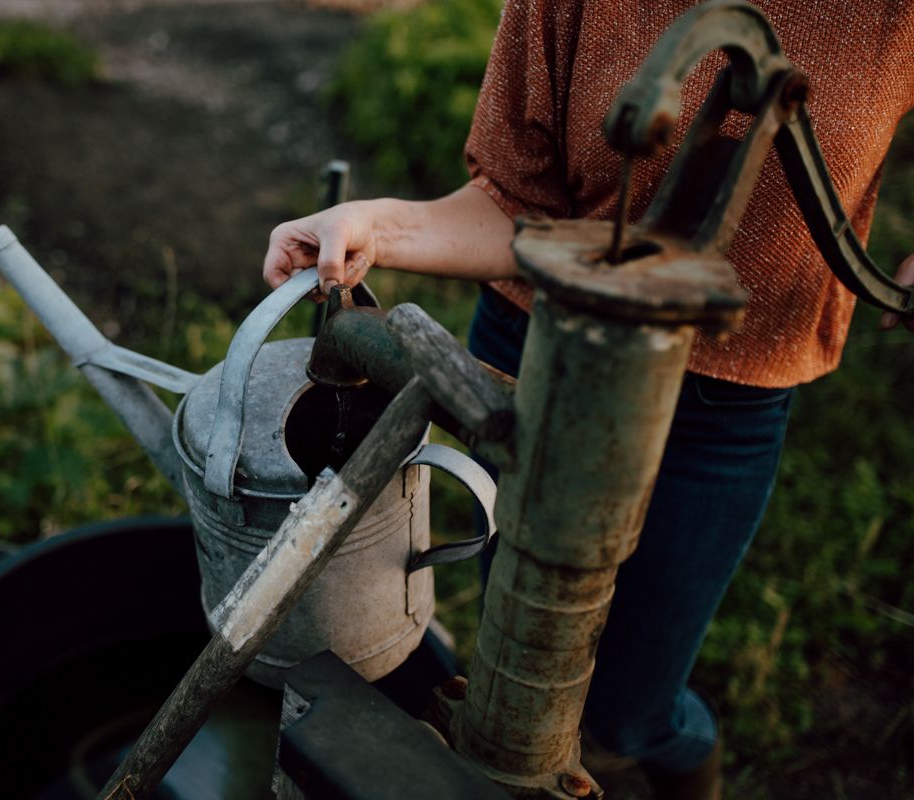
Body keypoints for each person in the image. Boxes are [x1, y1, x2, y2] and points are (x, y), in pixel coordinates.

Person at [262, 2, 914, 798]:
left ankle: (682, 769)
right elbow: (515, 203)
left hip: (723, 398)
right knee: (524, 658)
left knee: (628, 710)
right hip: (542, 359)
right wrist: (378, 226)